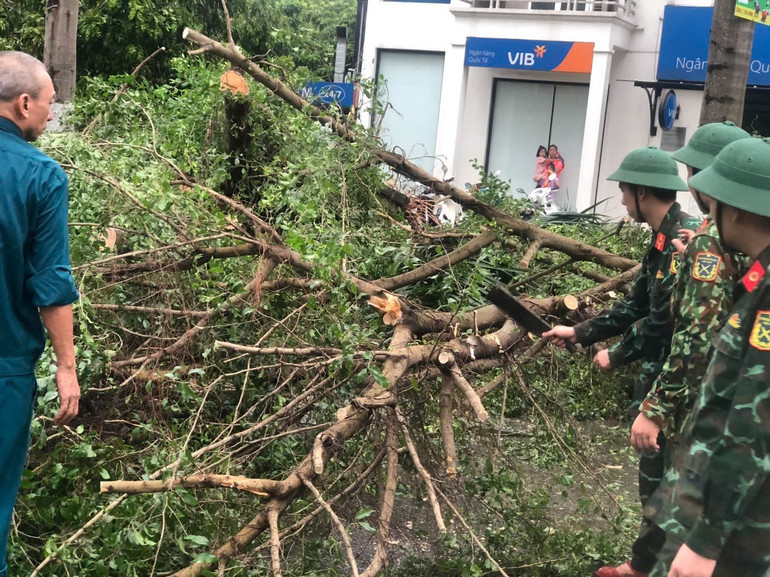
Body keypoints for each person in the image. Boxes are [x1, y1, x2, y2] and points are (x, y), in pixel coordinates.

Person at [542, 147, 700, 577]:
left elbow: (664, 320)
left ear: (642, 191)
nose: (623, 199)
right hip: (659, 380)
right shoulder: (662, 238)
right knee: (655, 478)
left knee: (667, 480)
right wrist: (580, 332)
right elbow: (635, 304)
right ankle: (646, 564)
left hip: (676, 386)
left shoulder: (685, 241)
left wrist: (617, 352)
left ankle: (654, 567)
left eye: (625, 191)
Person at [618, 122, 750, 577]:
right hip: (727, 402)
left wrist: (655, 407)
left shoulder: (710, 244)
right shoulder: (716, 239)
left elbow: (693, 336)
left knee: (682, 507)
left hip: (712, 405)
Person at [646, 136, 770, 577]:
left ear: (733, 210)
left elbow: (753, 423)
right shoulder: (758, 276)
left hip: (740, 525)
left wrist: (705, 540)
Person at [0, 51, 80, 575]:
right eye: (50, 103)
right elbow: (50, 282)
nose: (52, 114)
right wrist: (66, 366)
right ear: (24, 103)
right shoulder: (40, 176)